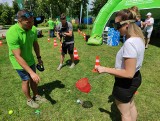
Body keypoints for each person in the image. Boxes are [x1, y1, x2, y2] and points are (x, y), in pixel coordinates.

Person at [96, 9, 145, 121]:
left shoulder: (130, 43)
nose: (116, 28)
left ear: (127, 24)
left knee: (125, 115)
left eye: (117, 25)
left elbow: (128, 73)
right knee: (130, 105)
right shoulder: (139, 38)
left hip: (125, 83)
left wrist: (105, 69)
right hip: (136, 78)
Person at [6, 9, 46, 108]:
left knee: (33, 80)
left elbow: (35, 44)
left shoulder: (32, 29)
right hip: (18, 61)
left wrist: (39, 57)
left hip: (30, 59)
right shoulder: (12, 33)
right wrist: (32, 73)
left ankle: (36, 95)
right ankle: (29, 100)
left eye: (32, 21)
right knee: (26, 80)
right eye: (28, 22)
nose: (31, 24)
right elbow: (17, 56)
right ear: (19, 21)